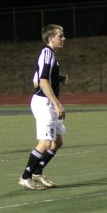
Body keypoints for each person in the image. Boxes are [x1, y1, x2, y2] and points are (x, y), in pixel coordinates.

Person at [19, 24, 68, 190]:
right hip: (44, 103)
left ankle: (37, 172)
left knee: (57, 142)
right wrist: (57, 103)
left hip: (49, 103)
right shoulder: (47, 53)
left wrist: (59, 78)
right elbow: (41, 81)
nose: (63, 38)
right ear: (50, 38)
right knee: (46, 143)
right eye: (60, 36)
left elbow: (43, 77)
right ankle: (25, 177)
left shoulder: (51, 55)